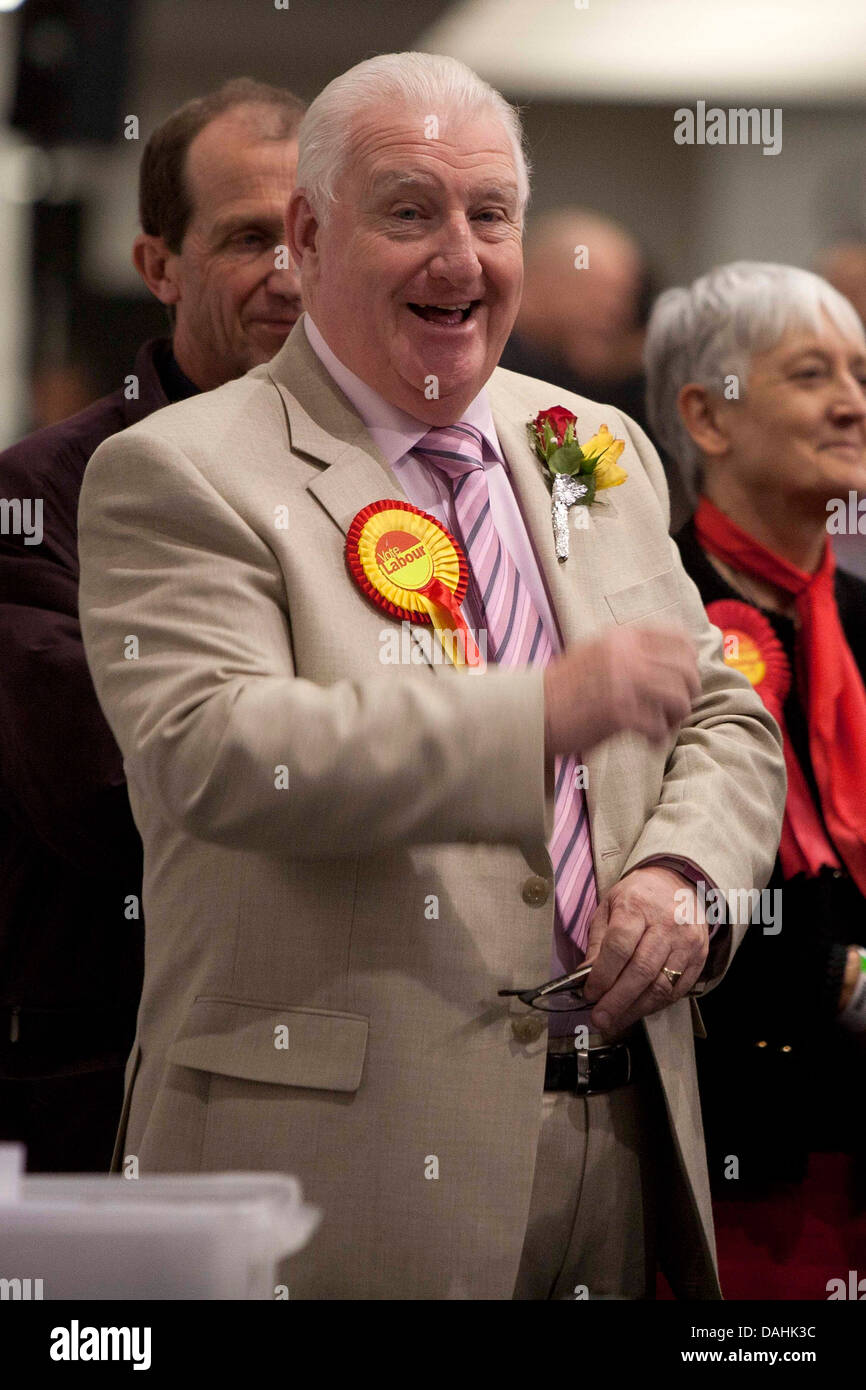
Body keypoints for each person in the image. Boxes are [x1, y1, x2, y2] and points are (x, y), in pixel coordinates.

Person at [77, 53, 784, 1300]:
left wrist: (685, 873)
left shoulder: (590, 443)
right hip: (334, 1173)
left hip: (616, 1146)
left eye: (489, 214)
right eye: (408, 211)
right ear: (307, 233)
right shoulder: (178, 471)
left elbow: (718, 707)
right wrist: (538, 711)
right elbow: (220, 754)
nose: (459, 258)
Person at [0, 77, 305, 1174]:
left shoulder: (406, 489)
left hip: (354, 1065)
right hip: (110, 1079)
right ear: (158, 266)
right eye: (245, 238)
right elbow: (109, 794)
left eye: (311, 233)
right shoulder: (39, 493)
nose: (288, 274)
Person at [645, 260, 866, 1299]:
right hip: (730, 1147)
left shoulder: (859, 619)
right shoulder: (649, 615)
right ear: (709, 416)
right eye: (810, 373)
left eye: (859, 372)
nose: (852, 402)